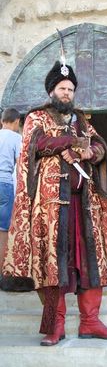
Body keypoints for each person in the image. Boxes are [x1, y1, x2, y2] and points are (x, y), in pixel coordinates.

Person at [0, 56, 107, 346]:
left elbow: (100, 145)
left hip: (85, 206)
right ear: (51, 91)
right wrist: (68, 142)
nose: (66, 93)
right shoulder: (36, 117)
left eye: (70, 89)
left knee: (89, 262)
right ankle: (55, 326)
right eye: (62, 89)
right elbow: (34, 144)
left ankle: (91, 322)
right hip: (51, 207)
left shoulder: (81, 119)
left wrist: (87, 153)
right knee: (52, 264)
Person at [0, 108, 21, 272]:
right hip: (5, 183)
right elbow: (20, 166)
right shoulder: (16, 138)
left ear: (2, 121)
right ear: (16, 122)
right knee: (3, 230)